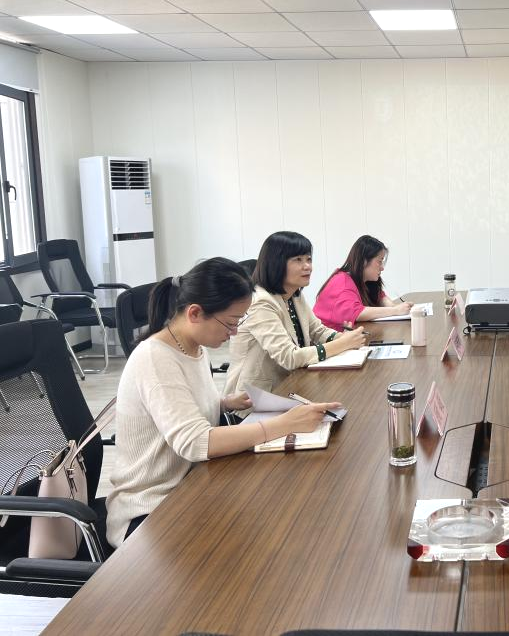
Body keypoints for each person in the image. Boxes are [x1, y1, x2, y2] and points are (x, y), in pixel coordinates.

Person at [106, 258, 340, 548]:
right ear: (195, 313)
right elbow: (195, 442)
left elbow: (180, 406)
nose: (235, 332)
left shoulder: (193, 346)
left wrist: (224, 403)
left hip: (194, 486)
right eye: (230, 323)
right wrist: (283, 425)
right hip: (151, 509)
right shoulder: (155, 358)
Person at [226, 231, 366, 396]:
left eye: (309, 259)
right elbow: (289, 357)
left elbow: (318, 331)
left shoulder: (294, 295)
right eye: (298, 260)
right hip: (256, 398)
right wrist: (342, 344)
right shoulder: (260, 302)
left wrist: (344, 338)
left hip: (292, 385)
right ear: (276, 263)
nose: (307, 266)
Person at [313, 235, 412, 330]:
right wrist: (395, 310)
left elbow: (380, 297)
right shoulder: (342, 281)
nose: (382, 268)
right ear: (364, 261)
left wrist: (397, 307)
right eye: (379, 261)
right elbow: (358, 313)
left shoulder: (364, 280)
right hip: (327, 339)